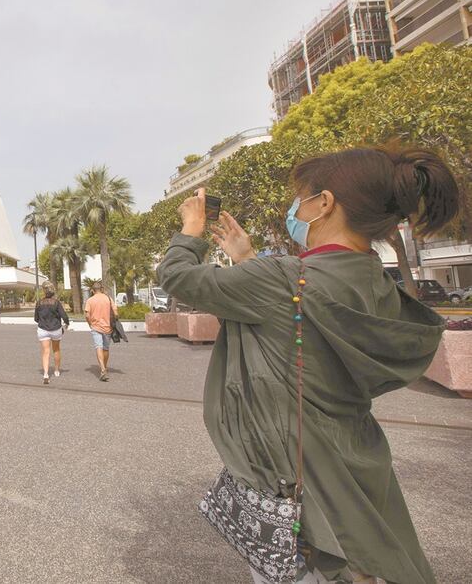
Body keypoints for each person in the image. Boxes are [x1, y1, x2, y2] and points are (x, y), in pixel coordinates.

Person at [157, 145, 459, 584]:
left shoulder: (283, 279)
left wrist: (191, 228)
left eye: (302, 197)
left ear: (324, 203)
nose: (295, 208)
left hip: (297, 481)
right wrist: (249, 261)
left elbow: (178, 277)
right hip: (355, 462)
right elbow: (300, 321)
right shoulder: (376, 281)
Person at [34, 280, 70, 384]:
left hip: (43, 329)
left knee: (46, 351)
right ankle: (57, 370)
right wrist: (67, 323)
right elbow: (64, 316)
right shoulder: (56, 302)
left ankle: (45, 374)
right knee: (56, 350)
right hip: (55, 329)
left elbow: (36, 318)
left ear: (44, 291)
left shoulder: (39, 303)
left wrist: (42, 321)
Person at [84, 279, 118, 381]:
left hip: (96, 327)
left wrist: (90, 324)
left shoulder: (90, 300)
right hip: (108, 327)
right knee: (106, 348)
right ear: (101, 289)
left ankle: (102, 369)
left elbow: (87, 315)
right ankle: (104, 367)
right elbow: (116, 312)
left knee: (98, 346)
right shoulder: (108, 298)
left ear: (93, 290)